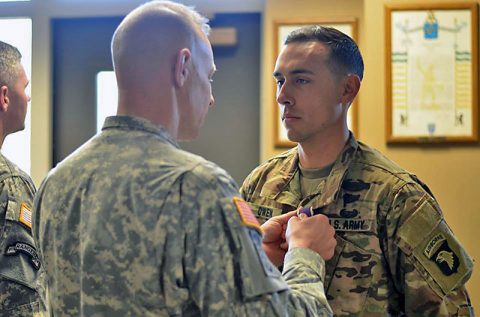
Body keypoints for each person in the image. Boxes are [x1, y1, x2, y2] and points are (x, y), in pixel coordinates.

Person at [32, 1, 337, 316]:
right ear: (182, 67)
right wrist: (305, 254)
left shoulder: (55, 184)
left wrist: (248, 252)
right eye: (209, 76)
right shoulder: (196, 185)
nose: (211, 96)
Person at [240, 25, 474, 316]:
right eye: (280, 81)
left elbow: (448, 311)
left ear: (347, 89)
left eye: (301, 80)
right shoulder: (257, 185)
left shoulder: (397, 197)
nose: (282, 96)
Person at [0, 41, 46, 316]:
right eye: (24, 87)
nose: (27, 97)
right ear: (4, 96)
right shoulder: (9, 183)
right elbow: (18, 300)